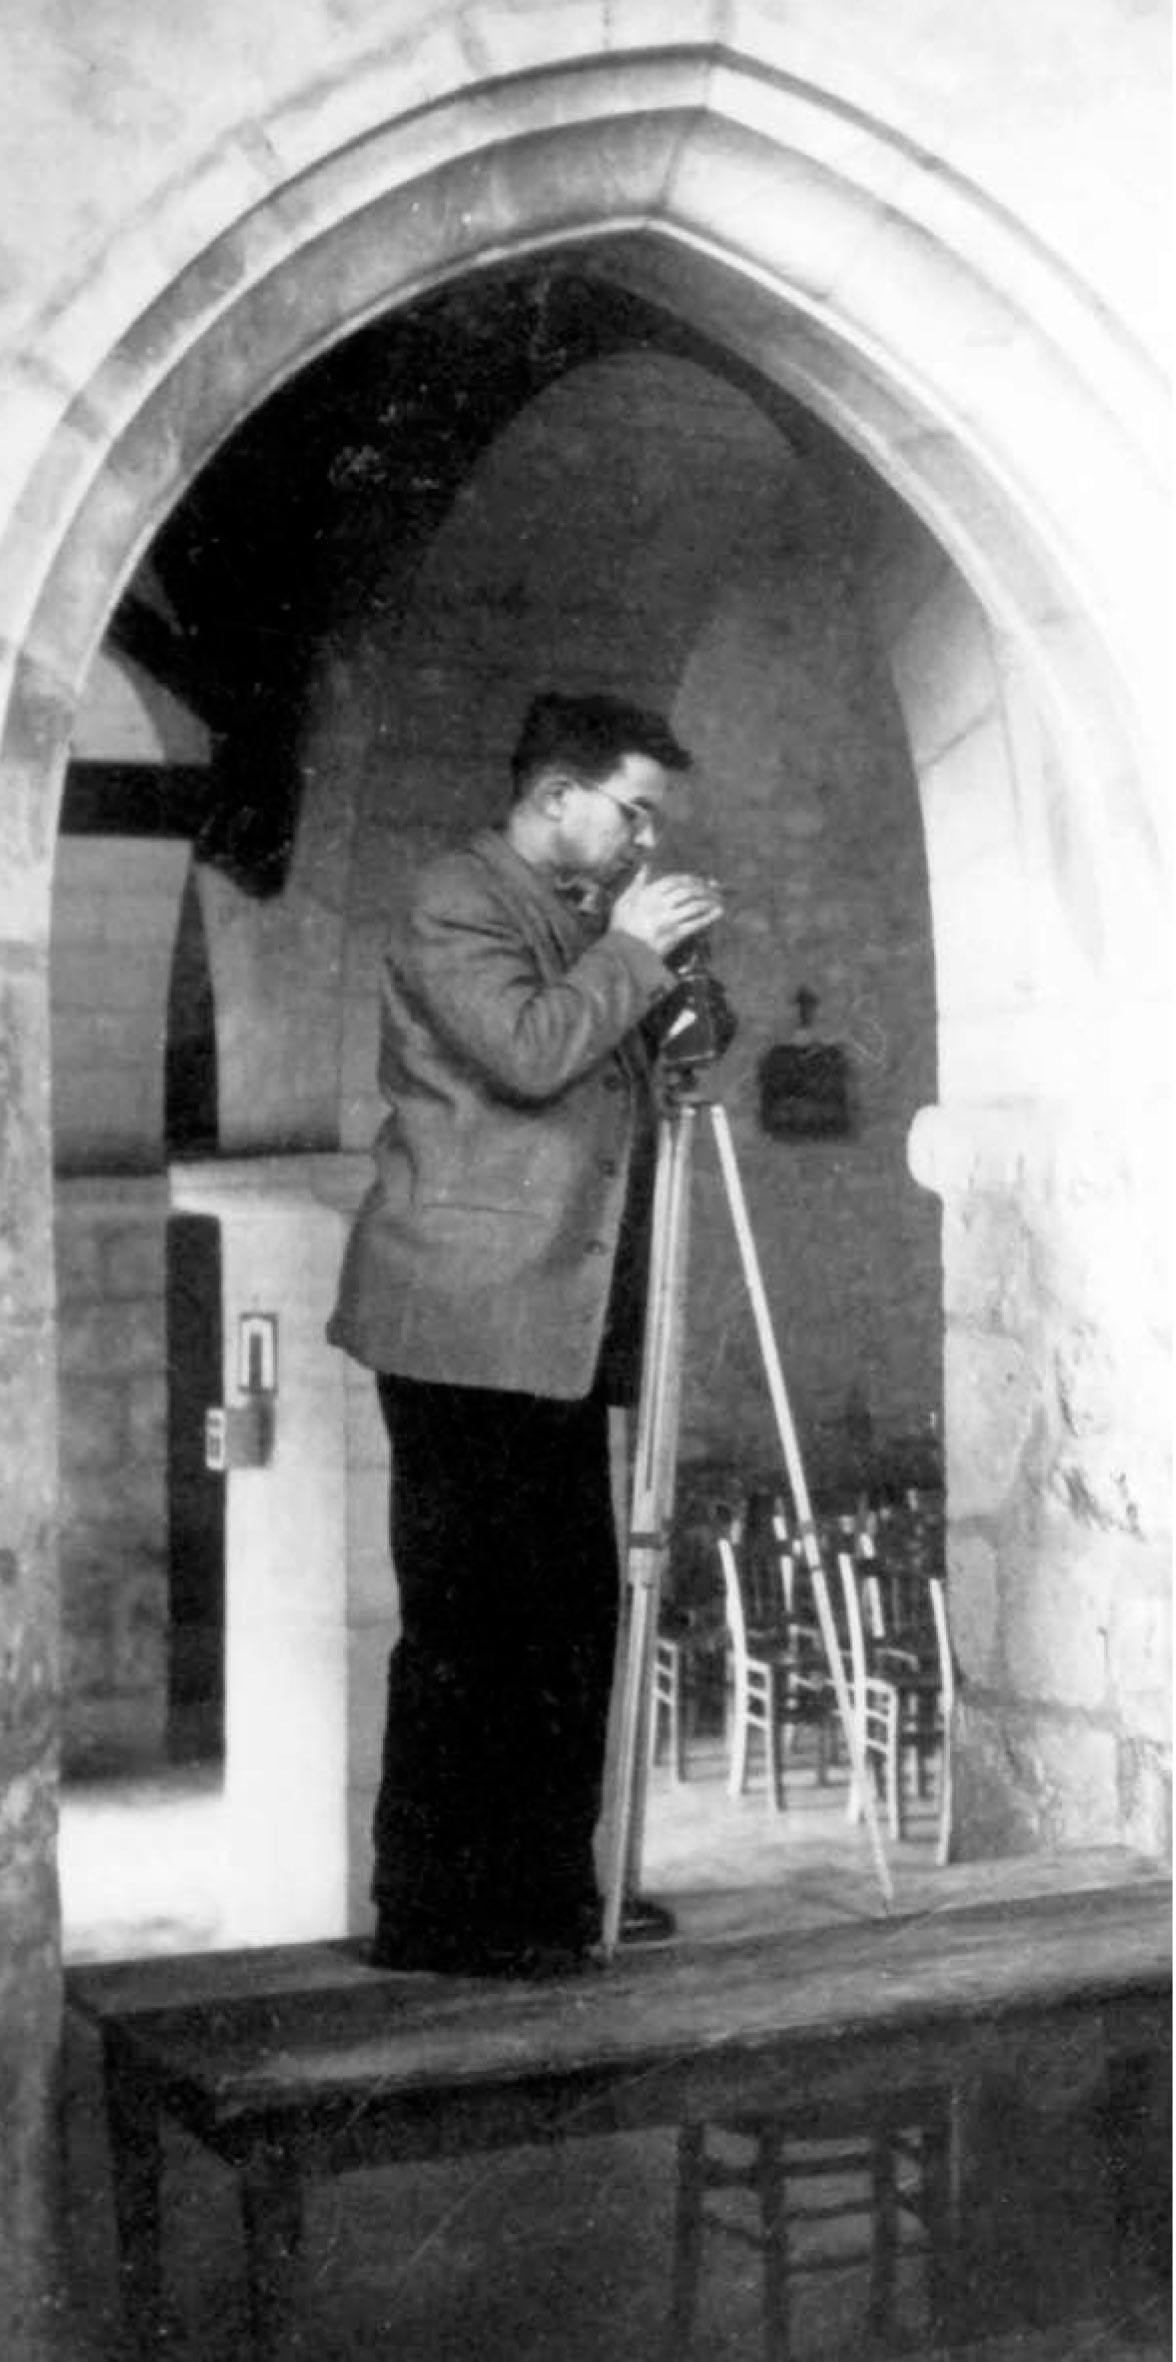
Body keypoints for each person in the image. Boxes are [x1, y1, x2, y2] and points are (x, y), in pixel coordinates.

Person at [327, 689, 723, 1976]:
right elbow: (529, 1050)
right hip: (461, 1316)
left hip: (552, 1317)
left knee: (571, 1615)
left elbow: (621, 1064)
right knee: (469, 1620)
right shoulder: (458, 896)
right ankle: (438, 1916)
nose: (643, 845)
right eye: (632, 813)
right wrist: (632, 955)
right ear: (558, 795)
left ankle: (551, 1896)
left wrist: (673, 995)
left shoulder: (582, 920)